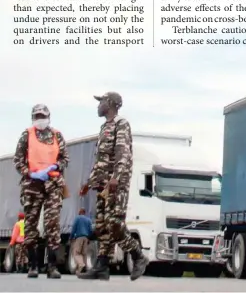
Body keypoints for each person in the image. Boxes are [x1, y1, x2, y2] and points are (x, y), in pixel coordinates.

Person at [79, 92, 146, 281]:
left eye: (100, 101)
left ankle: (138, 256)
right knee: (101, 227)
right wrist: (89, 182)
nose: (98, 105)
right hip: (102, 185)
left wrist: (116, 177)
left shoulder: (120, 123)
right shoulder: (104, 127)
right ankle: (102, 266)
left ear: (110, 103)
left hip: (115, 184)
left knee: (114, 224)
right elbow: (101, 160)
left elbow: (122, 152)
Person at [13, 104, 69, 279]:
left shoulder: (57, 135)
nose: (40, 119)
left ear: (48, 116)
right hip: (32, 184)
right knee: (30, 224)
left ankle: (52, 266)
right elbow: (18, 160)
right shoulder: (26, 135)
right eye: (37, 116)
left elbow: (65, 158)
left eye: (42, 115)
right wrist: (30, 173)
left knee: (52, 223)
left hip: (52, 182)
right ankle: (33, 265)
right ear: (32, 117)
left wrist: (55, 166)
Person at [70, 208, 93, 275]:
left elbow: (73, 228)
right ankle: (84, 268)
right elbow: (91, 230)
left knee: (76, 253)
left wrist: (71, 237)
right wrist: (89, 238)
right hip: (86, 238)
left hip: (79, 237)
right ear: (84, 213)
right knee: (84, 254)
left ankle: (81, 264)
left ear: (79, 213)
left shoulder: (77, 218)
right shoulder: (88, 220)